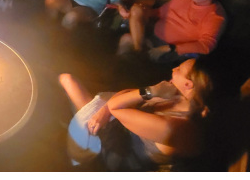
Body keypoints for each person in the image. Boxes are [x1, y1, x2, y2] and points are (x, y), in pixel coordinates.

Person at [59, 58, 213, 170]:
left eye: (179, 69)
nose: (173, 70)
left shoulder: (175, 127)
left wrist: (151, 91)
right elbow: (125, 93)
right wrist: (104, 112)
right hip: (114, 127)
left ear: (188, 85)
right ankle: (74, 118)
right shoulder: (175, 96)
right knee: (67, 79)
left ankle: (70, 154)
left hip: (113, 150)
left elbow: (116, 105)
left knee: (67, 81)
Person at [117, 0, 227, 63]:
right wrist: (140, 11)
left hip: (173, 51)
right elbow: (158, 13)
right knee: (127, 37)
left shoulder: (215, 16)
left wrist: (170, 48)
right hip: (153, 38)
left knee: (131, 48)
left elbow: (206, 45)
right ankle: (137, 51)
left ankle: (133, 62)